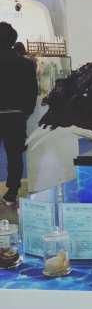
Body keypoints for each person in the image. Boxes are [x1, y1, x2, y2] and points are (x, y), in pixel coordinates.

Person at [0, 22, 38, 205]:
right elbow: (32, 93)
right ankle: (12, 191)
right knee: (14, 155)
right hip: (15, 116)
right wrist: (25, 113)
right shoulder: (26, 64)